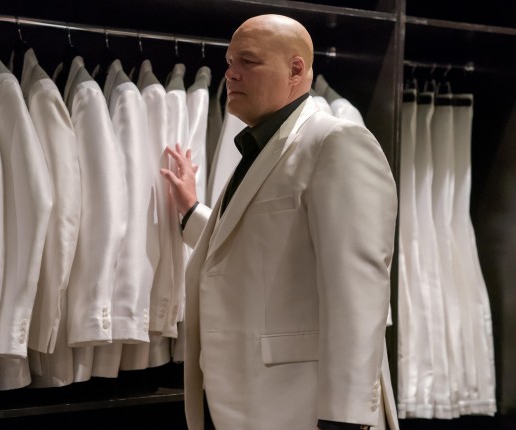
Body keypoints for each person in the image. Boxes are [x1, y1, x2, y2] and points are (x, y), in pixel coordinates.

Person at [161, 14, 399, 430]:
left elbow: (358, 291)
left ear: (295, 69)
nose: (231, 73)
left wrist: (345, 418)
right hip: (247, 401)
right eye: (229, 62)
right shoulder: (260, 147)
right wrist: (192, 212)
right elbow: (261, 246)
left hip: (302, 408)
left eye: (248, 61)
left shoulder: (335, 142)